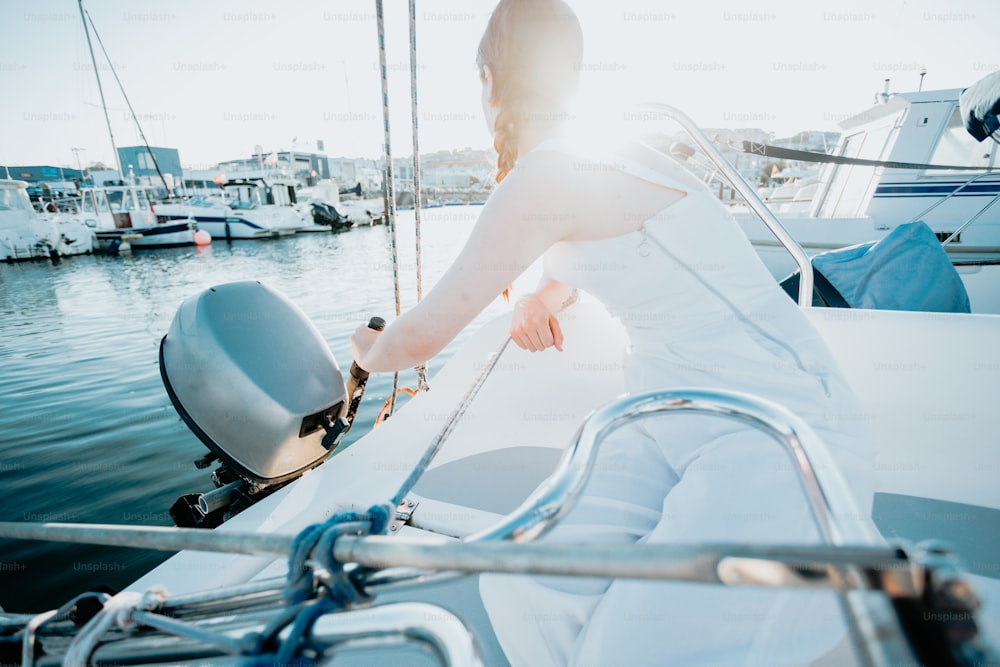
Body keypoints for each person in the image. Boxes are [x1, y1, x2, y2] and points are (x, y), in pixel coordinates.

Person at [351, 0, 877, 664]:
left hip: (779, 432)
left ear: (490, 80)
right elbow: (600, 250)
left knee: (627, 651)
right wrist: (543, 292)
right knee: (526, 584)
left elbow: (422, 336)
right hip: (672, 417)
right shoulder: (604, 160)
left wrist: (363, 351)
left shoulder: (551, 173)